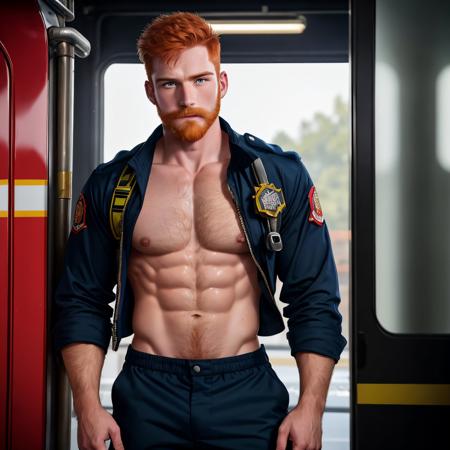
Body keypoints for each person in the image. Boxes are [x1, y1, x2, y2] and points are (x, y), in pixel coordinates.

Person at [53, 11, 347, 450]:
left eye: (201, 80)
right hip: (148, 390)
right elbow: (81, 299)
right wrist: (88, 408)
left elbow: (314, 297)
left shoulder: (277, 177)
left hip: (244, 388)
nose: (187, 97)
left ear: (222, 83)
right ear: (151, 91)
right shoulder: (113, 184)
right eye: (170, 83)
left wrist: (311, 407)